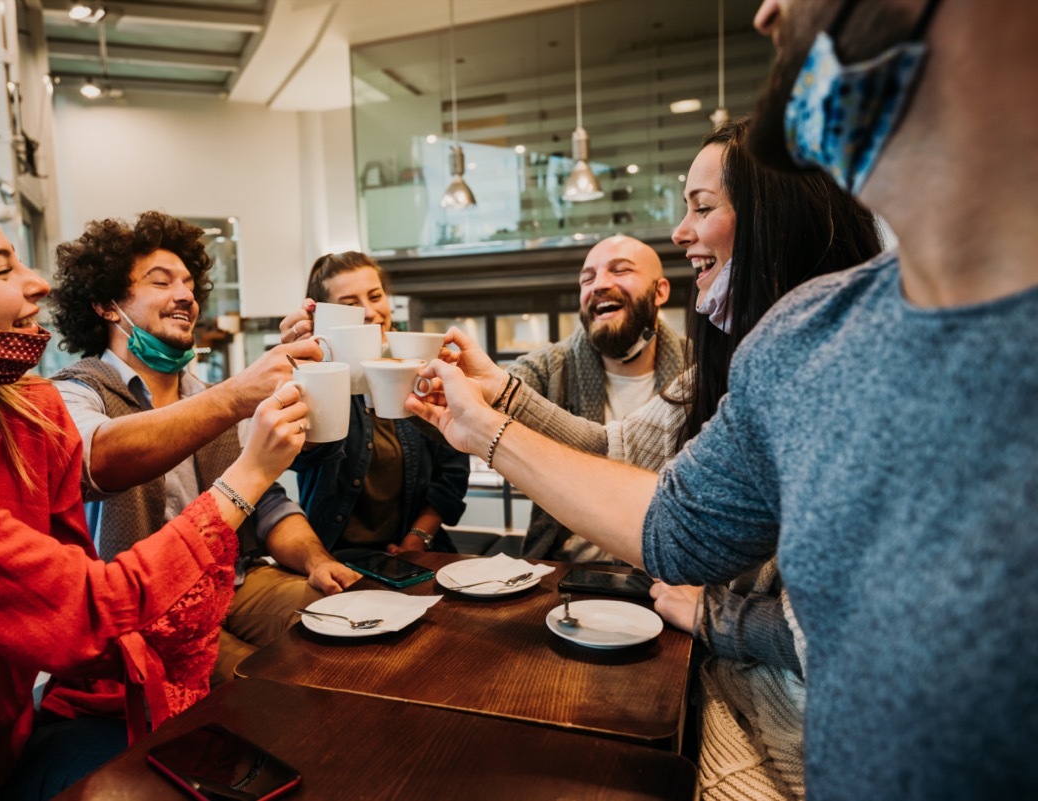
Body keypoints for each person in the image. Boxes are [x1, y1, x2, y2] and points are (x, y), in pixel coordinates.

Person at [407, 0, 1038, 797]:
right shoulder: (800, 341)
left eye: (704, 207)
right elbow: (673, 521)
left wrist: (493, 422)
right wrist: (486, 420)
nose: (768, 11)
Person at [448, 116, 882, 800]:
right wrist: (497, 395)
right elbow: (615, 453)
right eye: (587, 275)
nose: (680, 232)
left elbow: (679, 530)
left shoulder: (814, 366)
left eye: (702, 208)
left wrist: (487, 431)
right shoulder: (726, 365)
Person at [0, 176, 308, 800]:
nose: (36, 283)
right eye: (1, 269)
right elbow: (86, 602)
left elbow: (77, 577)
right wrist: (245, 465)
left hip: (11, 744)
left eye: (189, 283)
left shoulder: (24, 412)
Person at [48, 212, 360, 683]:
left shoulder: (206, 396)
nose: (185, 296)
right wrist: (236, 395)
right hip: (146, 607)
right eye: (161, 282)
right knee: (271, 682)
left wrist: (317, 560)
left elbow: (268, 504)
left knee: (351, 621)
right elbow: (98, 459)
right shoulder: (75, 392)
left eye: (190, 284)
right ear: (106, 306)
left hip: (235, 580)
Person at [278, 251, 469, 556]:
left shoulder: (422, 365)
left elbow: (452, 471)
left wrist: (417, 538)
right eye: (350, 305)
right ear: (327, 317)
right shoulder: (319, 375)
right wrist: (311, 368)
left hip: (418, 551)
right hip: (331, 556)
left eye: (376, 296)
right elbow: (301, 458)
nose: (369, 311)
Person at [507, 235, 684, 562]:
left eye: (620, 270)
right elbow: (494, 397)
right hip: (569, 570)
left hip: (671, 569)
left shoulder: (698, 369)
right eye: (587, 279)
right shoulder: (550, 368)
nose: (599, 284)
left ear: (659, 291)